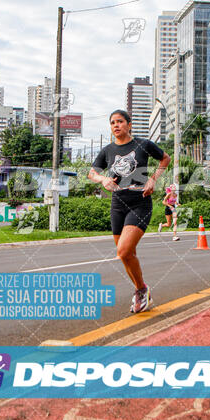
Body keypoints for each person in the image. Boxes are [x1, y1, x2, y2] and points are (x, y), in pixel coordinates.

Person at [88, 109, 170, 313]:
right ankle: (141, 290)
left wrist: (153, 179)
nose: (116, 125)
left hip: (140, 202)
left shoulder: (143, 144)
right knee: (125, 254)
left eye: (120, 121)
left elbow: (165, 159)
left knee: (123, 250)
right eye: (112, 122)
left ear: (129, 124)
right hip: (117, 204)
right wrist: (103, 179)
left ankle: (141, 290)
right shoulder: (107, 150)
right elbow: (92, 173)